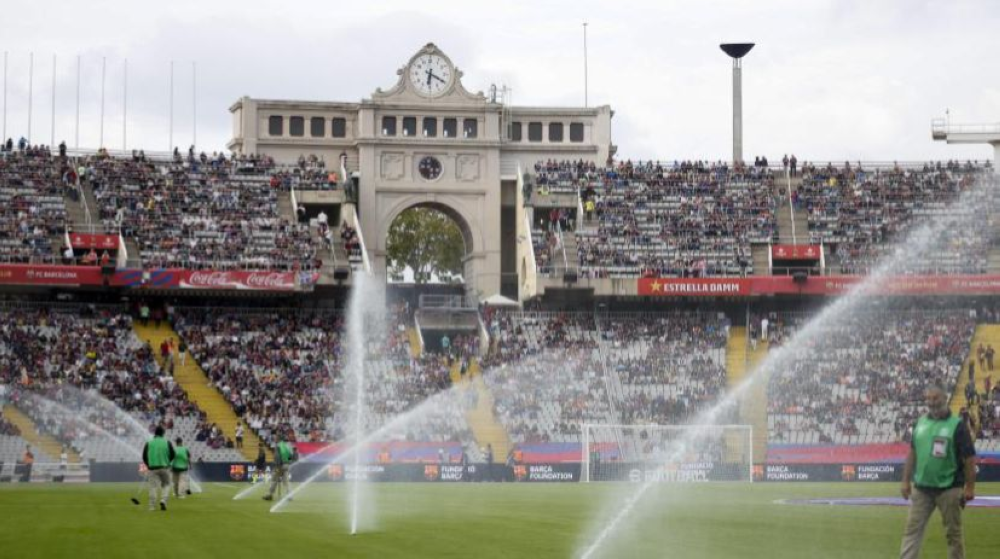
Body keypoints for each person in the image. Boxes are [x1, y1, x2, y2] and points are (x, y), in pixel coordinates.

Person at [899, 384, 976, 559]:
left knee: (953, 535)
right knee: (911, 532)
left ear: (945, 398)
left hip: (949, 488)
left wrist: (970, 488)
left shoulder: (957, 425)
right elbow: (912, 452)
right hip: (921, 489)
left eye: (936, 398)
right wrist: (905, 481)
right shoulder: (920, 422)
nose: (932, 402)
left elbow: (970, 458)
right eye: (929, 399)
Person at [142, 426, 176, 511]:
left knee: (153, 487)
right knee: (166, 485)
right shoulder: (167, 442)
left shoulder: (149, 443)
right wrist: (168, 462)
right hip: (164, 467)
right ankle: (163, 500)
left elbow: (144, 456)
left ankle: (152, 506)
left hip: (152, 468)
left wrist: (148, 465)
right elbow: (173, 454)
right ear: (163, 433)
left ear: (155, 433)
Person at [263, 434, 296, 501]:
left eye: (276, 438)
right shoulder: (288, 445)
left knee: (274, 480)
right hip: (286, 465)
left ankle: (270, 495)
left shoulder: (278, 446)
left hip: (279, 465)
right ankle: (289, 496)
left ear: (279, 439)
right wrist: (287, 462)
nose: (275, 439)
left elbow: (277, 457)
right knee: (286, 481)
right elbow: (292, 456)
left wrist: (278, 465)